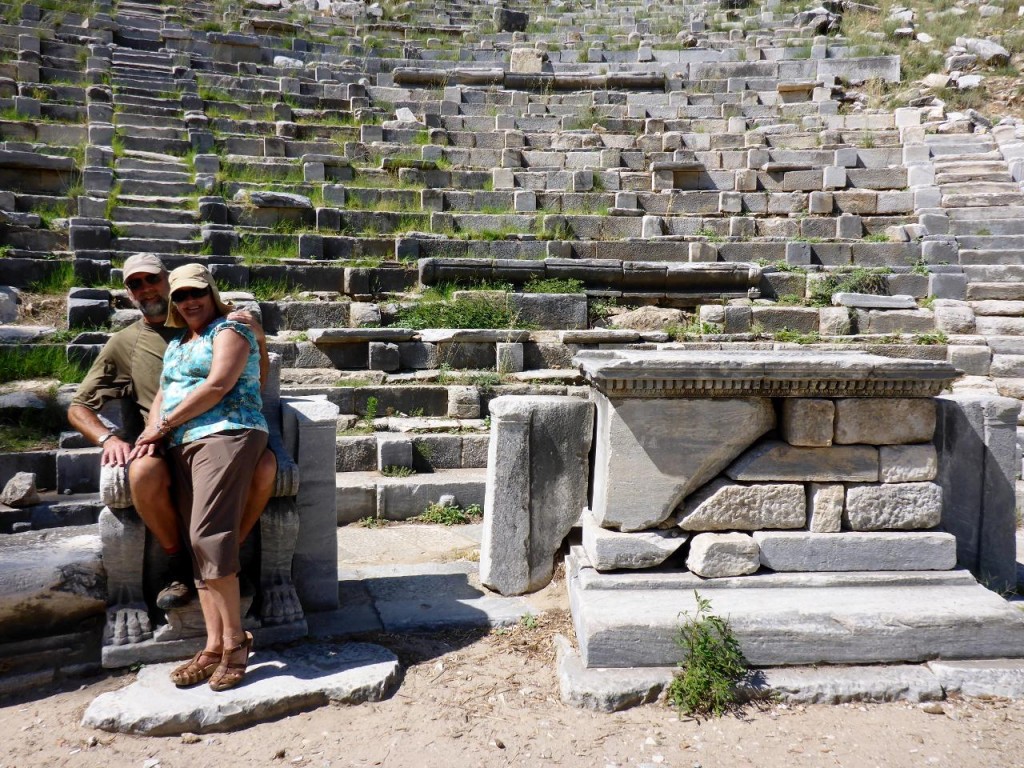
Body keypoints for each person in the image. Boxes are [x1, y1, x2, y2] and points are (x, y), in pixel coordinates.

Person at [68, 254, 277, 610]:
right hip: (166, 440)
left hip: (223, 430)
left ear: (171, 281)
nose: (145, 288)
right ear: (129, 293)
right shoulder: (126, 342)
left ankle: (224, 559)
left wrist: (260, 340)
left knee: (267, 467)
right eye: (135, 284)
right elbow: (78, 406)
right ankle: (181, 563)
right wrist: (109, 438)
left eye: (152, 279)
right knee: (143, 471)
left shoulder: (217, 325)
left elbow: (249, 383)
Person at [130, 263, 268, 691]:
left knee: (210, 538)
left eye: (197, 293)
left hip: (227, 431)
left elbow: (218, 385)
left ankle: (235, 642)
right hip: (182, 443)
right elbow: (163, 397)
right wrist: (150, 434)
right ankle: (212, 646)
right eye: (180, 296)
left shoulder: (230, 329)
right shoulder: (177, 345)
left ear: (212, 293)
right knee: (197, 545)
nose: (190, 302)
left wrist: (164, 425)